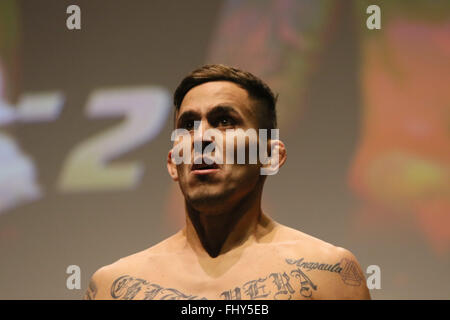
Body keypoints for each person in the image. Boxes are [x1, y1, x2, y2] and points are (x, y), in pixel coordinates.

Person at [83, 64, 371, 300]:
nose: (202, 137)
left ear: (270, 155)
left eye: (224, 121)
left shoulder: (326, 274)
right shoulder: (114, 287)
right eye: (188, 125)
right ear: (173, 163)